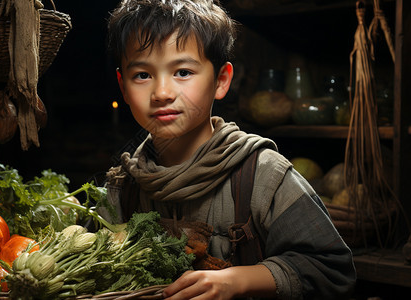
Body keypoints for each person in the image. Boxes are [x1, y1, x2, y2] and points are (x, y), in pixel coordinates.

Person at [102, 0, 356, 299]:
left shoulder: (263, 176)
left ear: (221, 80)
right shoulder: (122, 186)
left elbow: (333, 269)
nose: (162, 93)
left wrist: (238, 280)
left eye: (183, 72)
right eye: (142, 75)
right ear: (124, 87)